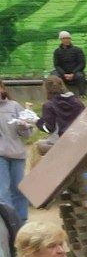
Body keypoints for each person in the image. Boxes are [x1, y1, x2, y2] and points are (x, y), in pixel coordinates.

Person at [0, 82, 40, 216]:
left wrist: (24, 126)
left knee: (19, 189)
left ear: (2, 89)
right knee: (3, 191)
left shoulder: (14, 106)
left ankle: (21, 220)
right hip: (0, 155)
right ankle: (8, 221)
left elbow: (27, 134)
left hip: (17, 153)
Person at [36, 74, 83, 139]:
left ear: (46, 89)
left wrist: (39, 122)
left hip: (61, 140)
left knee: (40, 143)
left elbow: (49, 128)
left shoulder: (48, 105)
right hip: (80, 137)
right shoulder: (77, 102)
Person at [52, 31, 86, 96]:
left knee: (80, 76)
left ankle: (82, 94)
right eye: (64, 38)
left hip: (75, 72)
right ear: (61, 40)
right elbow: (56, 65)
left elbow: (82, 64)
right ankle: (58, 95)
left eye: (68, 38)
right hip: (63, 73)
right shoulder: (57, 51)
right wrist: (64, 74)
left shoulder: (77, 50)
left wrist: (73, 73)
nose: (66, 40)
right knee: (54, 76)